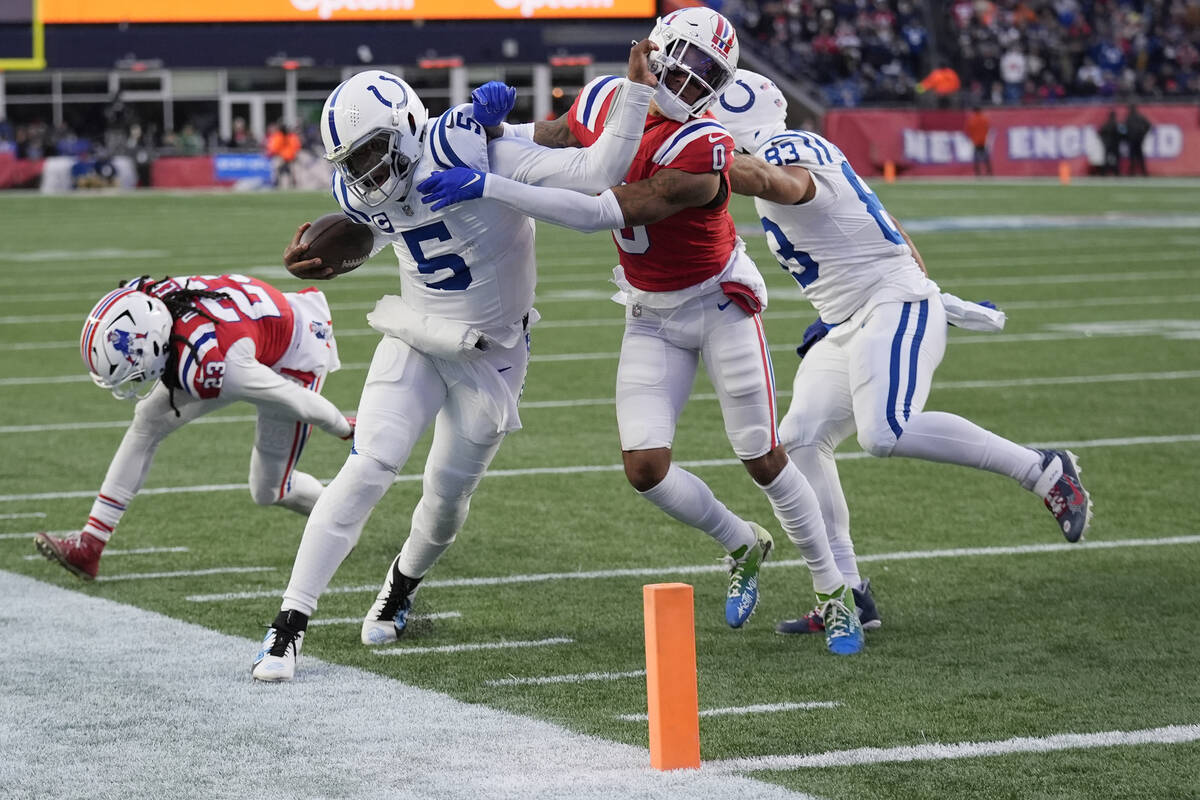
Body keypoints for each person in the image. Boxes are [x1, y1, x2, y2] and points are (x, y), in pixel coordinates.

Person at [417, 8, 865, 657]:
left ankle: (834, 591)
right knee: (645, 468)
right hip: (651, 311)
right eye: (688, 59)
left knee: (763, 457)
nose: (692, 78)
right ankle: (742, 543)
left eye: (710, 71)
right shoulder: (605, 96)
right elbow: (555, 133)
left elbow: (602, 210)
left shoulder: (701, 147)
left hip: (718, 305)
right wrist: (487, 128)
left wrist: (492, 182)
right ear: (656, 50)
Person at [251, 44, 661, 681]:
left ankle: (401, 584)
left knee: (444, 500)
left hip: (492, 352)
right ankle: (288, 627)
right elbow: (380, 227)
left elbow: (598, 169)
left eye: (370, 152)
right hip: (416, 332)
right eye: (351, 161)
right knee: (368, 467)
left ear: (409, 126)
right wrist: (334, 254)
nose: (363, 172)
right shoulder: (357, 187)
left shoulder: (472, 147)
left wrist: (633, 92)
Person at [708, 70, 1092, 634]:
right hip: (849, 318)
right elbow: (883, 222)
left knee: (884, 431)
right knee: (798, 441)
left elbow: (782, 184)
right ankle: (847, 591)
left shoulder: (781, 151)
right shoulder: (786, 146)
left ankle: (1043, 470)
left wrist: (700, 159)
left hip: (890, 304)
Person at [34, 274, 352, 580]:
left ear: (155, 346)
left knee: (269, 490)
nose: (137, 379)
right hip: (242, 329)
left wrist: (344, 427)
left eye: (135, 372)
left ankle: (341, 522)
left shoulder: (216, 360)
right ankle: (90, 545)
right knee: (147, 421)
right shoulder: (155, 302)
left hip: (297, 353)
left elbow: (293, 398)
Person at [266, 123, 302, 188]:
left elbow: (296, 146)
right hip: (282, 157)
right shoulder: (280, 136)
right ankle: (277, 183)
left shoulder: (288, 136)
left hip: (288, 157)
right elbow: (275, 148)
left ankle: (292, 184)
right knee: (278, 170)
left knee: (291, 172)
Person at [1123, 104, 1151, 176]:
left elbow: (1124, 129)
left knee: (1133, 156)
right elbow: (1148, 125)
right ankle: (1143, 172)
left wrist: (1127, 137)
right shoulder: (1139, 117)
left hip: (1133, 140)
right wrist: (1143, 134)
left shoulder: (1129, 118)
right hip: (1138, 139)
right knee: (1139, 156)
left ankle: (1133, 172)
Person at [965, 105, 991, 177]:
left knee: (976, 157)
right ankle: (989, 171)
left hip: (976, 141)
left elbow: (969, 130)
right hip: (983, 140)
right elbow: (987, 128)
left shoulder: (972, 119)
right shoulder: (984, 119)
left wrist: (973, 138)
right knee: (986, 157)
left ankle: (977, 172)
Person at [1098, 110, 1122, 176]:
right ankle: (1116, 173)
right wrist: (1119, 139)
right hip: (1115, 144)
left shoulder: (1106, 124)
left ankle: (1104, 173)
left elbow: (1100, 133)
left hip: (1108, 144)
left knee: (1106, 159)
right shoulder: (1117, 124)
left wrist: (1104, 141)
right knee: (1116, 159)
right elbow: (1123, 133)